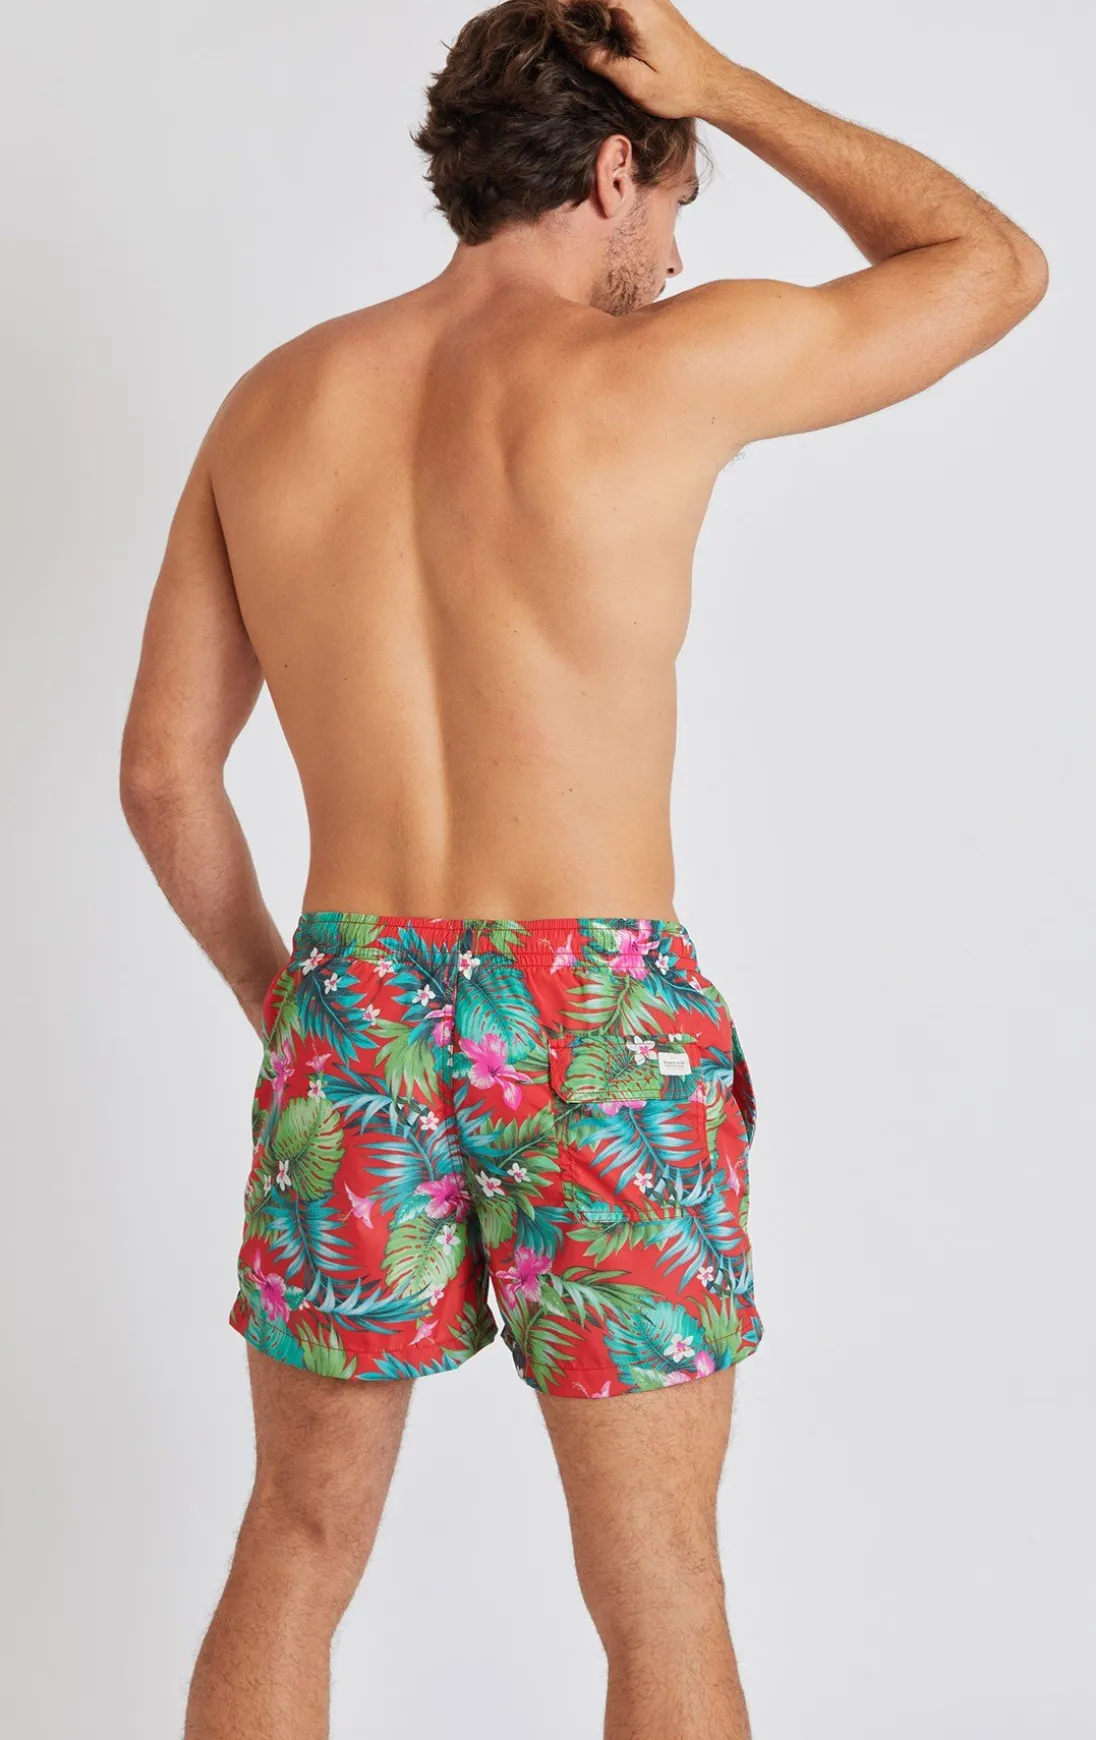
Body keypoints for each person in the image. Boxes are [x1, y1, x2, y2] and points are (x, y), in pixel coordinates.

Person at [120, 3, 1047, 1735]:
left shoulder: (274, 403)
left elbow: (166, 776)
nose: (678, 252)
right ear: (616, 170)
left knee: (296, 1546)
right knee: (658, 1585)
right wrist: (729, 89)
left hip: (354, 1002)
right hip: (599, 1016)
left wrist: (288, 1002)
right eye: (678, 199)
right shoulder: (666, 366)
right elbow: (992, 267)